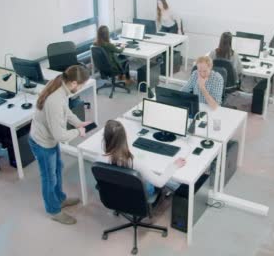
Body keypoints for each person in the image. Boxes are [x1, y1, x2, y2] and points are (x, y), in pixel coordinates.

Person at [29, 65, 92, 225]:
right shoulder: (55, 100)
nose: (82, 88)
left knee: (57, 168)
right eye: (82, 85)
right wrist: (79, 132)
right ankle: (53, 210)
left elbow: (66, 111)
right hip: (43, 143)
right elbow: (60, 136)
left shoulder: (61, 86)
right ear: (74, 83)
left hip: (49, 140)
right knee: (49, 178)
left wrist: (79, 123)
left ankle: (60, 199)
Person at [100, 120, 185, 201]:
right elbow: (159, 183)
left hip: (115, 191)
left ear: (104, 138)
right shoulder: (133, 162)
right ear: (124, 137)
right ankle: (180, 189)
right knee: (156, 173)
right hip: (138, 195)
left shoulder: (100, 158)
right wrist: (175, 166)